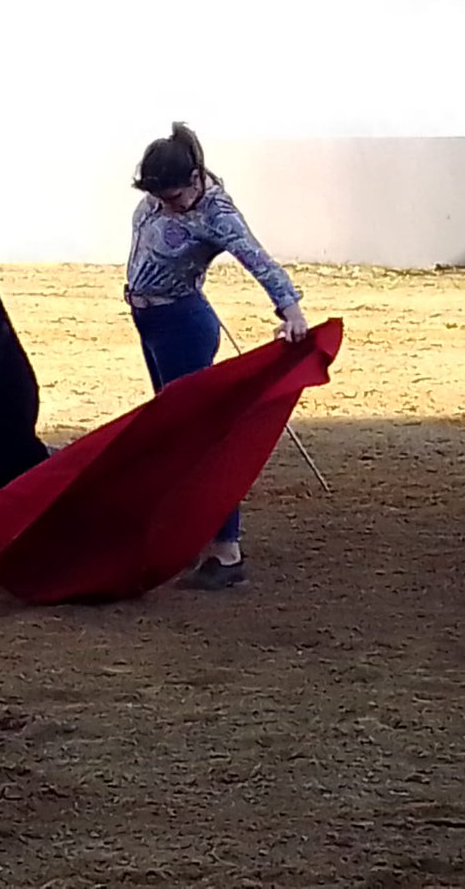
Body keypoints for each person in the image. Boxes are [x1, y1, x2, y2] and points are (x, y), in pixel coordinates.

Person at [124, 121, 310, 591]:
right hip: (151, 323)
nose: (167, 205)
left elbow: (256, 258)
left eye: (174, 197)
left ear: (194, 179)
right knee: (177, 437)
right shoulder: (162, 193)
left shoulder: (217, 212)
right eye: (157, 197)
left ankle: (227, 551)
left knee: (202, 440)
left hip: (183, 326)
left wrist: (290, 309)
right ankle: (198, 538)